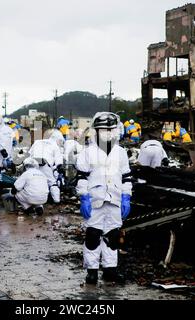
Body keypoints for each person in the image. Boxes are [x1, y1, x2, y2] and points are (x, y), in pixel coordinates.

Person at [76, 112, 132, 285]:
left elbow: (126, 177)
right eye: (103, 129)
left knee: (112, 236)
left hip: (115, 200)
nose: (107, 132)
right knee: (93, 235)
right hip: (95, 200)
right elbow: (81, 177)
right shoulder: (88, 152)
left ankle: (110, 270)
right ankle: (91, 271)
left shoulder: (121, 153)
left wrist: (126, 197)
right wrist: (84, 197)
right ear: (96, 131)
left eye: (110, 129)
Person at [29, 129, 65, 204]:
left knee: (34, 182)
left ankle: (35, 201)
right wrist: (59, 168)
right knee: (52, 183)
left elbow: (30, 154)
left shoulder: (37, 142)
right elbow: (58, 160)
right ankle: (57, 200)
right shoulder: (55, 146)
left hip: (32, 164)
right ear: (57, 139)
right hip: (44, 164)